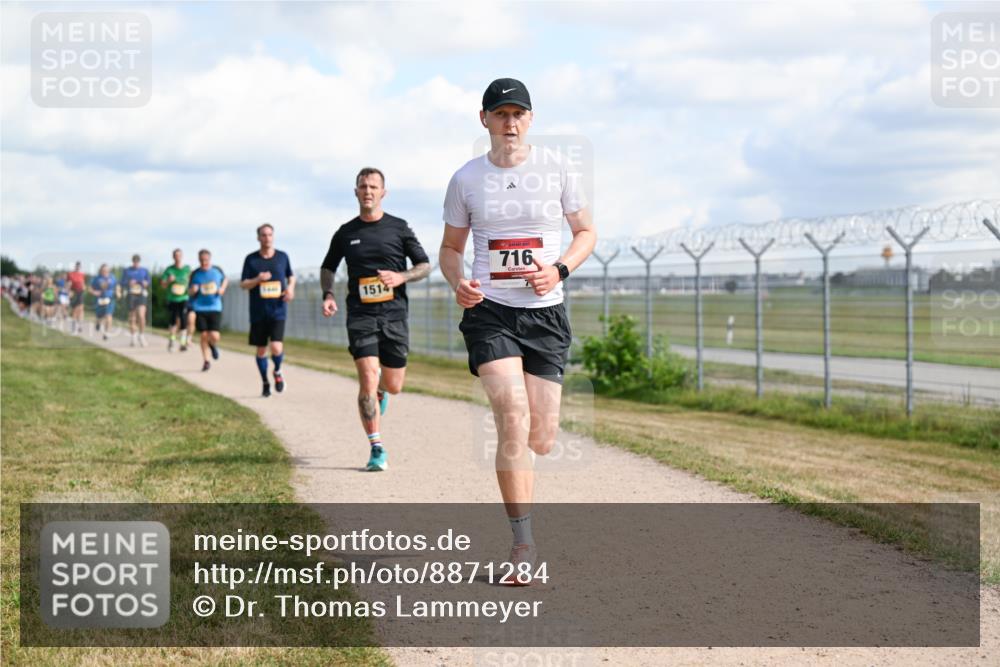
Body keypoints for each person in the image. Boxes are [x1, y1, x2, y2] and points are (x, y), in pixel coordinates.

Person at [439, 78, 596, 575]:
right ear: (483, 119)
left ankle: (527, 480)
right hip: (490, 311)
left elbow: (587, 232)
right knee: (511, 413)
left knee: (542, 436)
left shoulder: (557, 170)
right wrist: (456, 281)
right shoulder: (466, 179)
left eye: (518, 114)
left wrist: (559, 269)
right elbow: (450, 249)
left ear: (530, 120)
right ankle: (523, 547)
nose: (510, 123)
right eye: (501, 114)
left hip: (545, 312)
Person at [321, 167, 431, 471]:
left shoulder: (399, 228)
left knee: (393, 385)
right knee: (368, 376)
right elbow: (328, 267)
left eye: (373, 186)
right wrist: (328, 295)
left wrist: (401, 276)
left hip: (394, 315)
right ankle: (376, 447)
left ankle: (383, 391)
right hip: (361, 314)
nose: (367, 191)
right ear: (355, 192)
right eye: (362, 186)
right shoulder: (346, 233)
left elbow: (424, 265)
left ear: (383, 192)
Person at [240, 224, 295, 397]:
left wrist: (291, 289)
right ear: (258, 238)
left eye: (270, 235)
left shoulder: (282, 257)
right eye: (263, 235)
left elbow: (290, 276)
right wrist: (258, 279)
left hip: (278, 310)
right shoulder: (251, 259)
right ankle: (265, 382)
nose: (267, 238)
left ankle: (277, 371)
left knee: (276, 347)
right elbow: (243, 284)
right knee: (262, 350)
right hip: (258, 312)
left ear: (273, 236)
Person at [188, 249, 228, 371]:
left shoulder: (217, 271)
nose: (204, 262)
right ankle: (206, 361)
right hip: (199, 307)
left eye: (206, 260)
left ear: (210, 259)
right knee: (204, 334)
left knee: (214, 335)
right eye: (201, 260)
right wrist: (193, 290)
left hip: (215, 307)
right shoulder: (195, 274)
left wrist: (222, 289)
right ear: (198, 260)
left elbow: (225, 280)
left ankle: (213, 344)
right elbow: (188, 291)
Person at [161, 249, 193, 352]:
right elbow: (163, 285)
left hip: (184, 298)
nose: (177, 257)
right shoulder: (169, 270)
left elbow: (192, 280)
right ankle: (172, 341)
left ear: (182, 256)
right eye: (175, 255)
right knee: (173, 321)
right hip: (172, 299)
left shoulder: (187, 269)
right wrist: (168, 281)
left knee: (184, 321)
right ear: (173, 257)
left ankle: (183, 343)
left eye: (179, 255)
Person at [121, 254, 150, 346]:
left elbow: (148, 281)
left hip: (141, 294)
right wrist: (128, 282)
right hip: (131, 294)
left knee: (141, 315)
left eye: (137, 261)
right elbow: (122, 282)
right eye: (134, 261)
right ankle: (133, 337)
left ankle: (141, 335)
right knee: (132, 317)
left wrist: (146, 283)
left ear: (139, 262)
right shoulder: (127, 271)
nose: (136, 262)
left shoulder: (144, 271)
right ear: (132, 261)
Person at [89, 264, 118, 340]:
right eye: (103, 270)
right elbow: (90, 288)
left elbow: (117, 286)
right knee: (99, 317)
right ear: (100, 270)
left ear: (109, 270)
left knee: (109, 316)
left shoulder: (112, 277)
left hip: (110, 299)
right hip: (100, 300)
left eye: (106, 270)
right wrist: (94, 292)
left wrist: (118, 292)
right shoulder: (96, 278)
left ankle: (106, 333)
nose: (105, 272)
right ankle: (98, 323)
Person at [66, 262, 87, 334]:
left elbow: (83, 283)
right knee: (74, 311)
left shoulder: (82, 274)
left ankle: (80, 326)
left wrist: (84, 287)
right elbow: (68, 284)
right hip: (73, 293)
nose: (78, 267)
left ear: (80, 267)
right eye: (77, 266)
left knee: (81, 309)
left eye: (79, 266)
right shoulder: (70, 274)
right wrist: (68, 292)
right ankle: (74, 328)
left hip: (80, 293)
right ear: (75, 266)